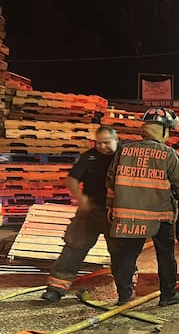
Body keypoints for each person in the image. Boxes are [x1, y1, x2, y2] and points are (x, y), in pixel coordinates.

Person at [106, 107, 179, 307]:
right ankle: (168, 295)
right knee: (165, 255)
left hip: (127, 215)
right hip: (159, 216)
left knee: (127, 254)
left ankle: (125, 296)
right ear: (162, 130)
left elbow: (110, 181)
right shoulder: (169, 154)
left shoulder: (124, 151)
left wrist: (110, 206)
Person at [41, 126, 120, 302]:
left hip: (116, 213)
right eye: (98, 143)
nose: (102, 147)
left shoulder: (125, 156)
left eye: (106, 143)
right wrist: (80, 197)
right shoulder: (89, 157)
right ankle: (56, 288)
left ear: (116, 139)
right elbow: (72, 179)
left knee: (121, 251)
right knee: (74, 247)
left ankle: (125, 289)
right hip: (90, 210)